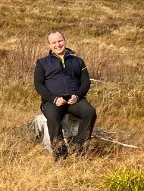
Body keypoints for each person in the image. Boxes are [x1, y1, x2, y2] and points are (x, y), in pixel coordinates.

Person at [33, 30, 97, 159]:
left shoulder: (78, 61)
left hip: (74, 100)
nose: (58, 45)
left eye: (60, 41)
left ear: (65, 41)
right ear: (49, 45)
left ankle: (79, 147)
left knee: (90, 112)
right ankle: (60, 154)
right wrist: (53, 99)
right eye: (54, 42)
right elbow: (38, 84)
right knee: (53, 118)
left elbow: (85, 82)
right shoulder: (42, 63)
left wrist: (77, 96)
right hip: (52, 101)